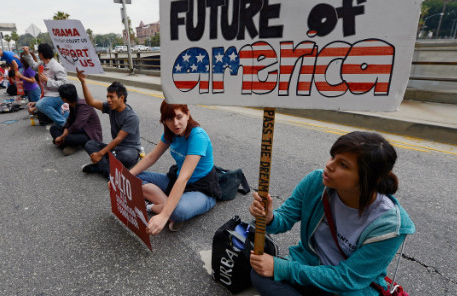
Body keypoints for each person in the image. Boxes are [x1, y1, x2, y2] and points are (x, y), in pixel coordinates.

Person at [248, 131, 415, 296]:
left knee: (274, 272)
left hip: (344, 289)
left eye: (343, 164)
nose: (329, 165)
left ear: (370, 179)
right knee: (260, 275)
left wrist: (281, 268)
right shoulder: (316, 182)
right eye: (333, 156)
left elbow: (348, 278)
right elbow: (284, 218)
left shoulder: (390, 225)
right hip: (307, 266)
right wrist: (269, 218)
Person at [129, 101, 221, 233]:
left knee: (177, 211)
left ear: (187, 115)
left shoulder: (198, 136)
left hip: (202, 189)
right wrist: (122, 177)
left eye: (179, 117)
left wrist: (163, 216)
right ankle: (169, 205)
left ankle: (156, 207)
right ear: (164, 121)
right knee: (134, 177)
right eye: (169, 119)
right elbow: (151, 157)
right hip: (176, 180)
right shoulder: (171, 133)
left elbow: (185, 177)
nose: (175, 124)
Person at [77, 69, 141, 177]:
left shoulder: (131, 117)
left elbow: (118, 139)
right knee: (90, 144)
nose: (108, 100)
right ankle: (108, 170)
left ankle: (100, 167)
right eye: (107, 97)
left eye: (111, 97)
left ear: (121, 98)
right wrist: (83, 81)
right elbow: (90, 102)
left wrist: (100, 154)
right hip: (115, 149)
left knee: (126, 157)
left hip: (129, 150)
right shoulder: (110, 107)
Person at [49, 84, 103, 156]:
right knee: (53, 128)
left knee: (67, 138)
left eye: (61, 96)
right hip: (76, 131)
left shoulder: (84, 105)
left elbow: (77, 125)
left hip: (89, 134)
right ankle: (68, 145)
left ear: (64, 99)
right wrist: (65, 128)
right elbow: (69, 120)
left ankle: (67, 144)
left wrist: (61, 137)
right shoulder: (72, 104)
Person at [28, 43, 68, 126]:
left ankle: (64, 124)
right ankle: (64, 128)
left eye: (38, 53)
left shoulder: (57, 67)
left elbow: (64, 84)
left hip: (58, 95)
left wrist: (47, 81)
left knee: (40, 105)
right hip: (49, 94)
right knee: (57, 114)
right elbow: (33, 65)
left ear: (42, 54)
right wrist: (27, 54)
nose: (38, 55)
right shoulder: (42, 64)